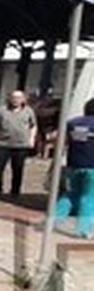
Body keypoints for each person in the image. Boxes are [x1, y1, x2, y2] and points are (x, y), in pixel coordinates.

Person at [53, 97, 94, 238]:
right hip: (92, 167)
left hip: (73, 164)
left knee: (70, 195)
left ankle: (53, 221)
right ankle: (83, 229)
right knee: (88, 198)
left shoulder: (72, 123)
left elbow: (62, 142)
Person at [0, 89, 37, 200]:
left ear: (23, 99)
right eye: (14, 98)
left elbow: (33, 126)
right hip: (3, 144)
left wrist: (32, 139)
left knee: (18, 169)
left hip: (21, 145)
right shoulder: (2, 110)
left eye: (19, 98)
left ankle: (15, 191)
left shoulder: (29, 111)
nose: (16, 100)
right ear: (10, 98)